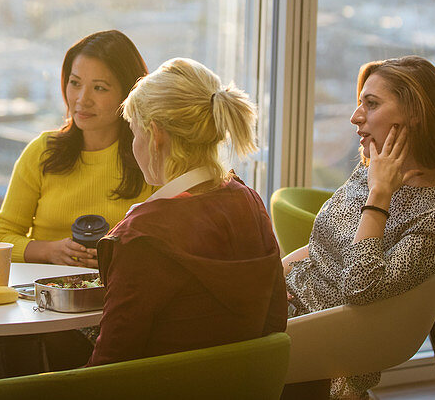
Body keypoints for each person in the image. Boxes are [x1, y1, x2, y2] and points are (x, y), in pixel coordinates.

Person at [283, 55, 435, 399]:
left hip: (323, 348)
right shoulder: (372, 171)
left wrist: (380, 195)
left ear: (415, 114)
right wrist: (268, 280)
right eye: (360, 103)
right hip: (290, 312)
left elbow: (361, 287)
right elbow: (322, 249)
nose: (355, 117)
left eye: (371, 104)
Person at [87, 57, 287, 365]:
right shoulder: (249, 202)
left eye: (134, 133)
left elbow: (108, 367)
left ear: (155, 135)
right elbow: (275, 324)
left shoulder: (141, 238)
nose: (133, 145)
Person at [0, 30, 156, 268]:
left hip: (123, 293)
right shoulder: (42, 151)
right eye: (75, 83)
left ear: (130, 93)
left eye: (99, 88)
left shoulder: (151, 157)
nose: (82, 99)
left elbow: (170, 244)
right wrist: (50, 251)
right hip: (44, 296)